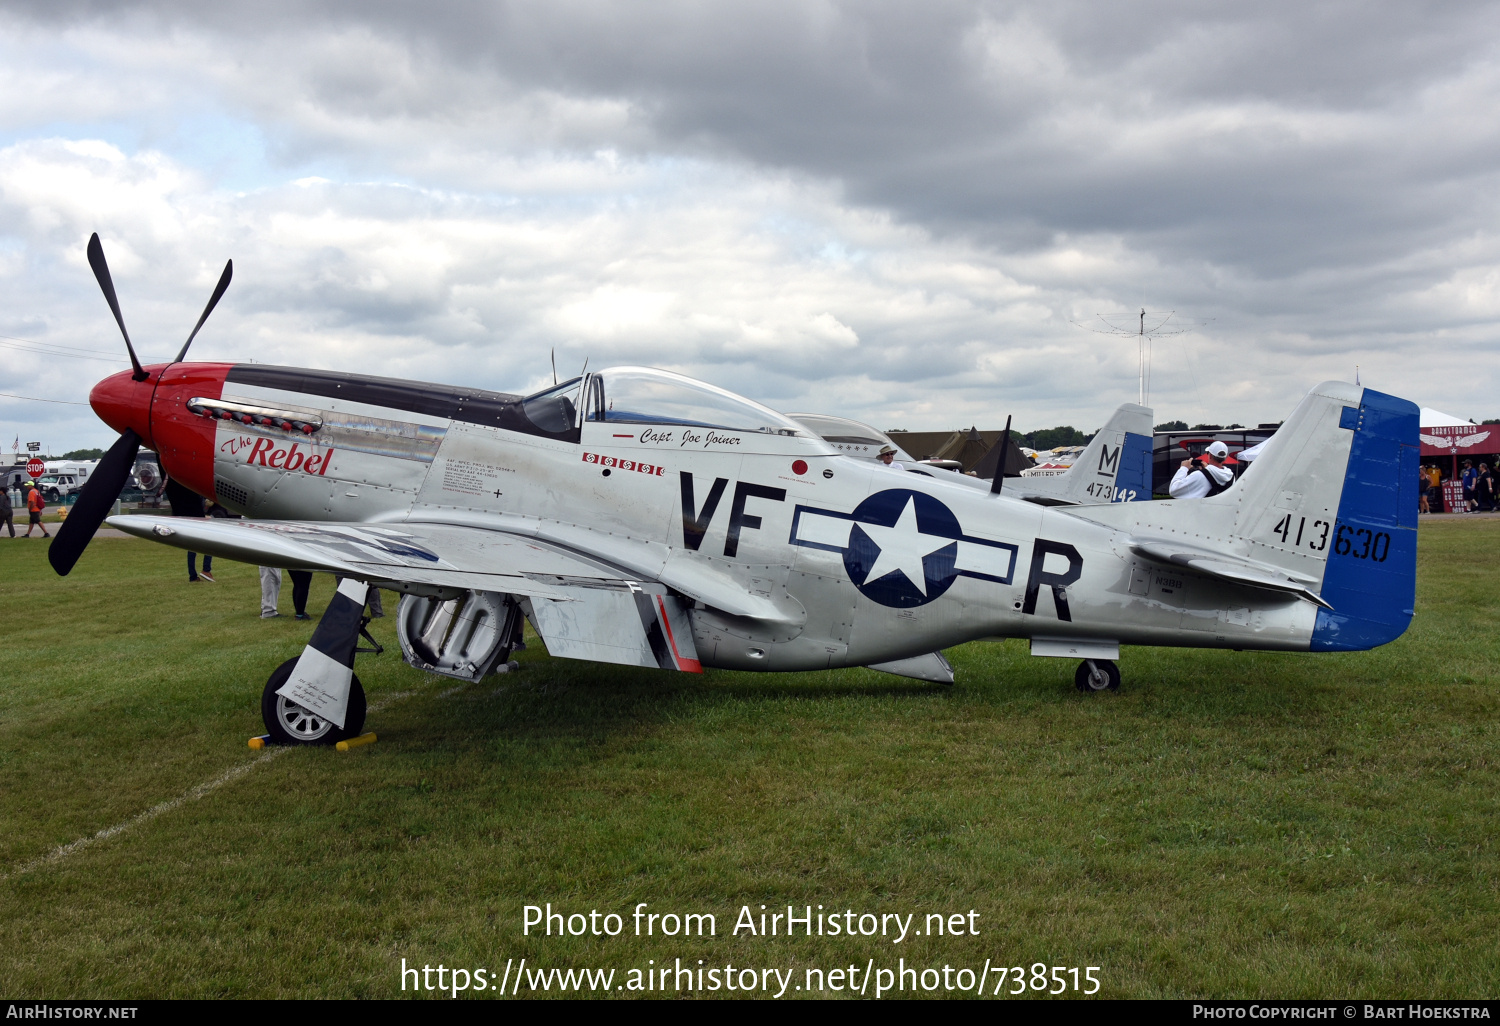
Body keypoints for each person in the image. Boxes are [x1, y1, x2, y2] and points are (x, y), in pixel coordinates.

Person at [1169, 440, 1234, 498]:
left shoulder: (1199, 475)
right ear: (1226, 457)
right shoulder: (1231, 477)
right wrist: (1206, 470)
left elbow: (1173, 490)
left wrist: (1183, 468)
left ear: (1210, 455)